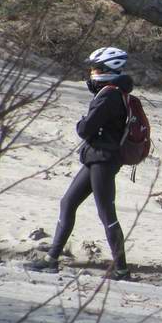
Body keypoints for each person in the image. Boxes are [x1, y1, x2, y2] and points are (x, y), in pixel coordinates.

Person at [25, 47, 135, 280]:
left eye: (96, 68)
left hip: (103, 160)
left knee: (107, 214)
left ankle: (122, 270)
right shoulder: (115, 91)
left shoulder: (109, 94)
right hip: (98, 158)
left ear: (108, 70)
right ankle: (51, 260)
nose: (92, 72)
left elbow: (85, 129)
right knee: (68, 202)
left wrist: (82, 122)